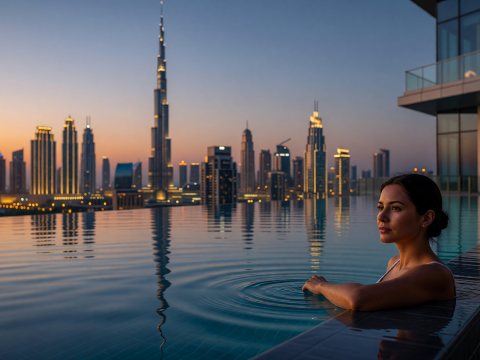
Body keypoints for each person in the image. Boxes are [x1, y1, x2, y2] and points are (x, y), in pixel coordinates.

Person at [302, 174, 455, 311]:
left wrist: (321, 286)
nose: (381, 216)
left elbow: (358, 298)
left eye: (395, 208)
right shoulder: (394, 263)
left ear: (426, 218)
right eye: (380, 207)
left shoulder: (435, 274)